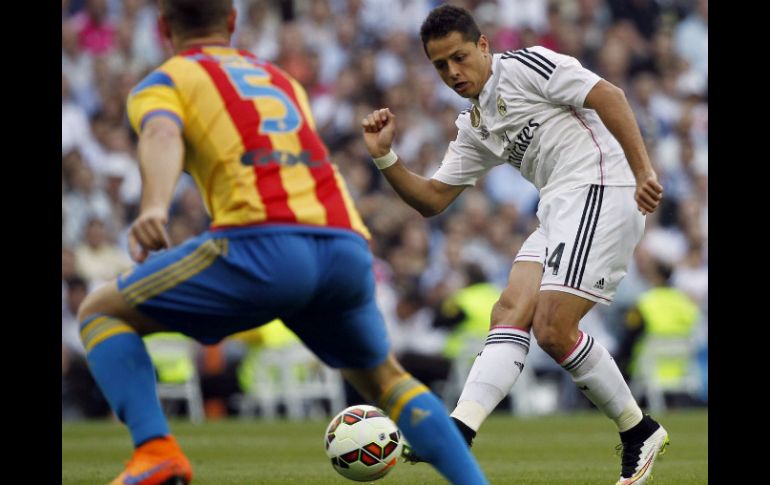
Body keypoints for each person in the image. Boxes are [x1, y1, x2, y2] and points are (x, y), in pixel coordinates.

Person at [76, 1, 489, 484]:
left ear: (164, 27)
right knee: (386, 379)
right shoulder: (281, 81)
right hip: (343, 243)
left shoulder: (167, 81)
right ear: (231, 23)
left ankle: (156, 448)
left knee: (100, 312)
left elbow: (163, 134)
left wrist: (154, 205)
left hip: (263, 241)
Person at [360, 5, 667, 484]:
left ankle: (638, 431)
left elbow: (610, 95)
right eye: (440, 66)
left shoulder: (526, 66)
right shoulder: (475, 124)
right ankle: (459, 430)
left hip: (602, 188)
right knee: (509, 311)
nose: (452, 73)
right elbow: (433, 200)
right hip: (557, 207)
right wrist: (385, 158)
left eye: (459, 58)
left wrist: (644, 169)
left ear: (484, 46)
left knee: (552, 328)